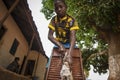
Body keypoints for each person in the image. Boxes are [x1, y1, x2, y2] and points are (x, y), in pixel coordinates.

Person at [48, 0, 79, 64]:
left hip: (70, 44)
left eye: (61, 7)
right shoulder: (54, 20)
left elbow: (73, 37)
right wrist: (60, 45)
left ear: (66, 7)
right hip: (58, 43)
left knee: (75, 60)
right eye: (56, 8)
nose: (59, 9)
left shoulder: (72, 20)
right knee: (50, 63)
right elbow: (50, 36)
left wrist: (70, 54)